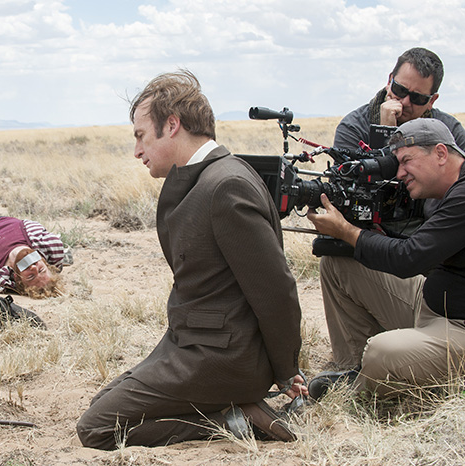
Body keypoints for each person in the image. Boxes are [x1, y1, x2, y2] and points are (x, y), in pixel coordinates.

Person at [76, 70, 307, 450]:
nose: (136, 151)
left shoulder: (225, 185)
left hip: (223, 357)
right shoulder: (200, 179)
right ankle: (236, 410)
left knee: (97, 429)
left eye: (140, 135)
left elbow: (275, 290)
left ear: (172, 125)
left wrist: (286, 371)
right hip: (191, 344)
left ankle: (236, 419)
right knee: (101, 405)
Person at [307, 118, 465, 398]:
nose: (400, 174)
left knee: (383, 352)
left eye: (406, 161)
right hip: (432, 302)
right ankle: (352, 366)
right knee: (338, 263)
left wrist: (347, 230)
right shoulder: (442, 191)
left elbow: (409, 258)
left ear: (441, 154)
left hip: (458, 325)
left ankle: (351, 392)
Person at [333, 47, 465, 152]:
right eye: (400, 90)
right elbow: (349, 182)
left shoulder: (450, 132)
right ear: (390, 81)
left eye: (417, 98)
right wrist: (385, 133)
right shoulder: (354, 128)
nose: (405, 102)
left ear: (432, 101)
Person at [0, 216, 67, 298]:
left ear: (17, 277)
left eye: (31, 276)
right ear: (44, 261)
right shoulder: (43, 243)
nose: (33, 267)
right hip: (2, 221)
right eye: (41, 269)